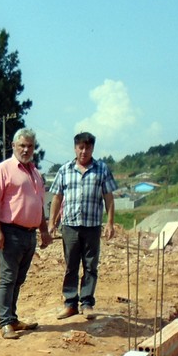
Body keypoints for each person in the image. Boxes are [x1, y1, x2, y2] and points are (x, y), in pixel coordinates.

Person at [0, 128, 52, 339]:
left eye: (30, 146)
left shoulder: (35, 173)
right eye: (22, 145)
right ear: (13, 146)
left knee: (19, 278)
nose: (26, 149)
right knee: (7, 278)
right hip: (10, 231)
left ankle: (13, 319)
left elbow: (40, 205)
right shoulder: (2, 170)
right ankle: (5, 323)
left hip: (29, 234)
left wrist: (44, 230)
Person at [48, 132, 117, 321]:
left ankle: (87, 303)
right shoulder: (65, 170)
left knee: (90, 266)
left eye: (87, 147)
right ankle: (70, 304)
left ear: (93, 148)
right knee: (71, 265)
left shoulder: (101, 169)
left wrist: (110, 223)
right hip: (70, 226)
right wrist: (51, 222)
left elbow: (109, 197)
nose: (84, 151)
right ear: (75, 148)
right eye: (80, 147)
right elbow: (57, 197)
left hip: (92, 226)